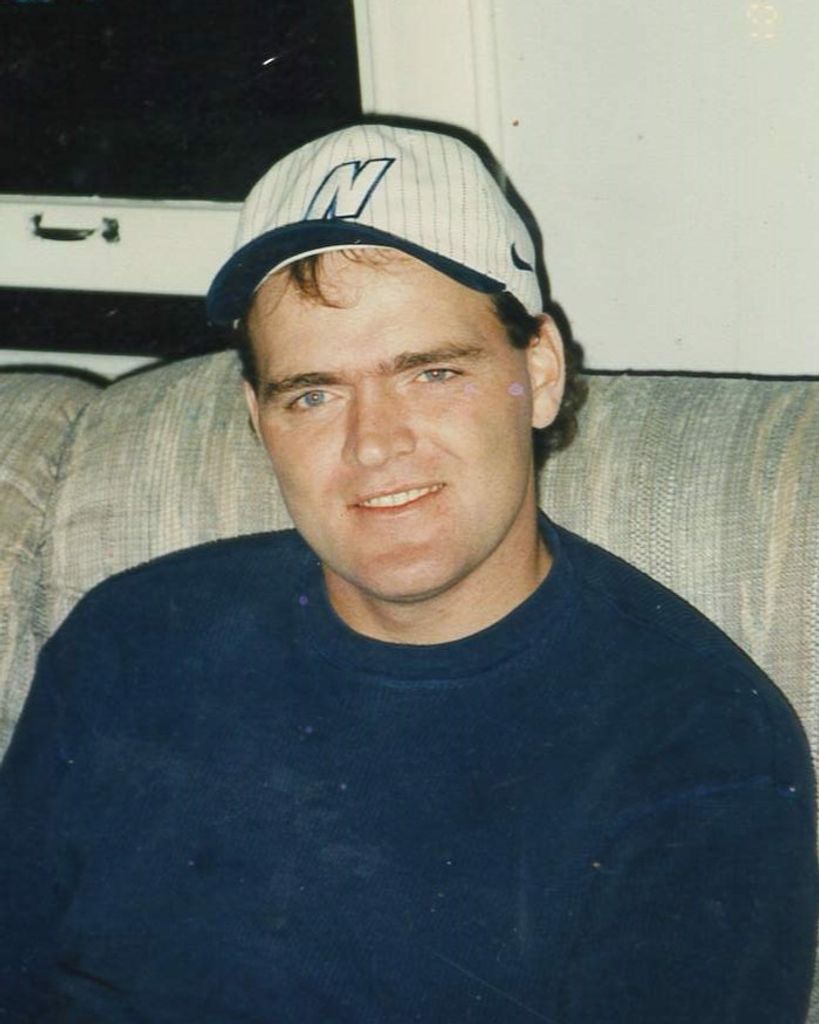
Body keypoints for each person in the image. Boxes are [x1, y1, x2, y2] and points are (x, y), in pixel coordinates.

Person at [0, 122, 816, 1022]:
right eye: (314, 393)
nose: (373, 444)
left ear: (539, 372)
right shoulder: (134, 635)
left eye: (430, 374)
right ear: (258, 419)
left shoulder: (694, 744)